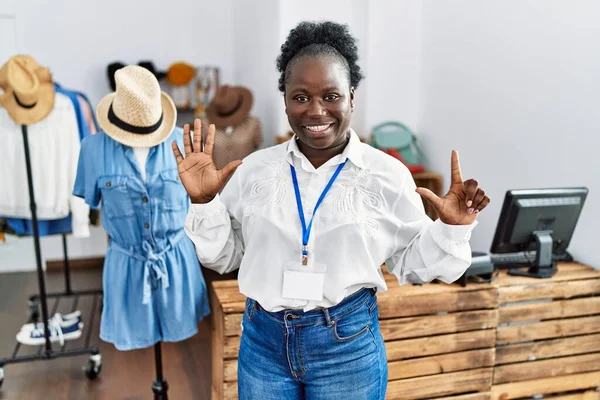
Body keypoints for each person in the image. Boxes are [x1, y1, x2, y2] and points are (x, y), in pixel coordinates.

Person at [173, 21, 490, 400]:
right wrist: (204, 202)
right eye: (301, 97)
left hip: (347, 346)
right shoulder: (254, 170)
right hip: (263, 344)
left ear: (352, 97)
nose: (316, 111)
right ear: (285, 99)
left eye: (331, 96)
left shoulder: (386, 175)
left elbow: (416, 265)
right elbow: (226, 257)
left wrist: (452, 228)